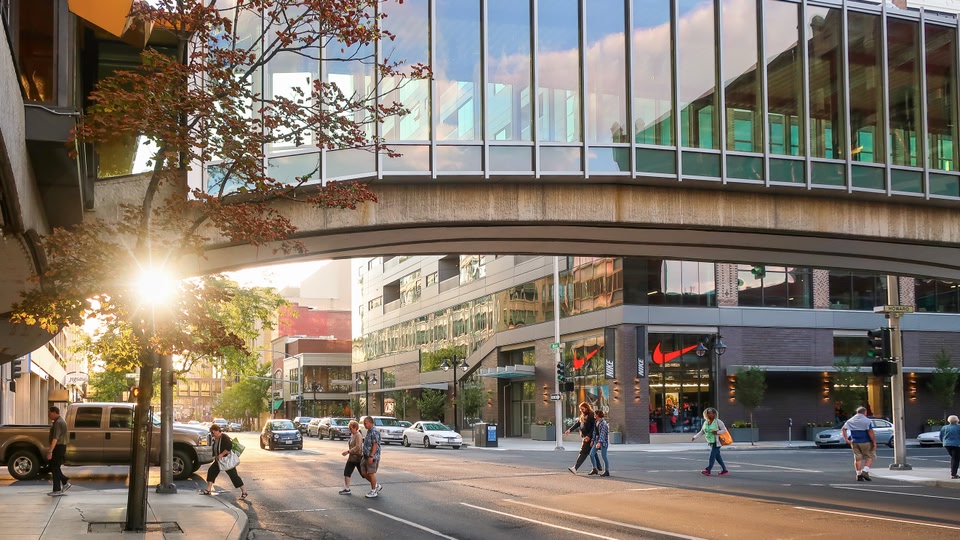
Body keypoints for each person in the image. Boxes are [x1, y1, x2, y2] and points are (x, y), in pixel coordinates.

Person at [201, 424, 249, 499]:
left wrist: (221, 454)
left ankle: (244, 492)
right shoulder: (215, 438)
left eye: (213, 432)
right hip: (219, 460)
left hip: (226, 460)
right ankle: (208, 489)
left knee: (234, 476)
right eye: (212, 433)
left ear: (217, 431)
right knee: (211, 471)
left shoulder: (224, 437)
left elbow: (229, 447)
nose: (213, 434)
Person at [841, 406, 876, 481]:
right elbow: (870, 432)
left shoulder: (851, 420)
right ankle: (865, 471)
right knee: (870, 455)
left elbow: (843, 429)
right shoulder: (867, 420)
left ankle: (858, 474)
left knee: (858, 458)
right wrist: (874, 442)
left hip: (854, 441)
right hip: (866, 441)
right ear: (865, 412)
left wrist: (846, 439)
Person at [691, 407, 729, 476]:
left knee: (712, 456)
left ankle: (708, 470)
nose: (711, 415)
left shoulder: (718, 421)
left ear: (715, 414)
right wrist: (695, 437)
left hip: (717, 442)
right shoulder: (706, 422)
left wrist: (717, 432)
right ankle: (724, 470)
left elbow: (724, 430)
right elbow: (702, 431)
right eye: (709, 413)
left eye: (712, 413)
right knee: (717, 457)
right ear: (706, 414)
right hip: (710, 442)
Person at [565, 402, 596, 474]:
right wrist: (569, 430)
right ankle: (597, 468)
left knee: (583, 452)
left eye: (582, 409)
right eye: (580, 409)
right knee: (592, 453)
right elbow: (578, 423)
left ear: (586, 408)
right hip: (585, 436)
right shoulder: (582, 415)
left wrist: (589, 436)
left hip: (589, 437)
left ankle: (575, 468)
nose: (581, 410)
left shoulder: (591, 415)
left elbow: (594, 428)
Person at [47, 406, 71, 496]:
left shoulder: (58, 423)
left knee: (54, 467)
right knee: (55, 467)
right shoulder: (59, 421)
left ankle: (61, 485)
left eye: (49, 413)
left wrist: (50, 451)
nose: (49, 415)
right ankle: (62, 484)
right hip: (60, 447)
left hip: (58, 447)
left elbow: (55, 438)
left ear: (54, 412)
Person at [360, 416, 383, 498]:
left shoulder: (374, 431)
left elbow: (375, 444)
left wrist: (371, 456)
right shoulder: (369, 431)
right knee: (363, 473)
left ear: (370, 423)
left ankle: (374, 491)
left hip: (372, 456)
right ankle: (376, 485)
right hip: (365, 456)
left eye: (365, 423)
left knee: (371, 473)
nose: (364, 425)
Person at [339, 420, 363, 494]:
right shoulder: (352, 435)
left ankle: (375, 485)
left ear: (355, 427)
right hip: (352, 458)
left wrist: (348, 451)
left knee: (364, 474)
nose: (350, 429)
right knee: (347, 472)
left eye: (351, 428)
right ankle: (347, 489)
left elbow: (358, 447)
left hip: (358, 458)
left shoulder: (358, 435)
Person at [589, 410, 610, 477]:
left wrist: (599, 442)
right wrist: (592, 440)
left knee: (604, 456)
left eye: (595, 414)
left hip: (603, 442)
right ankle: (594, 468)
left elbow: (602, 434)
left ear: (598, 415)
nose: (594, 415)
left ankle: (607, 470)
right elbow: (595, 432)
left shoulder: (603, 424)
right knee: (591, 454)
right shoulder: (596, 422)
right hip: (596, 441)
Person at [939, 415, 960, 479]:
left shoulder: (944, 427)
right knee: (955, 459)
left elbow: (941, 436)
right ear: (957, 420)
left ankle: (953, 473)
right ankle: (953, 474)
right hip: (957, 444)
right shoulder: (959, 427)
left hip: (947, 444)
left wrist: (944, 442)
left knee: (954, 458)